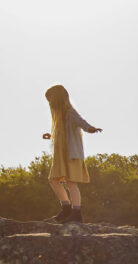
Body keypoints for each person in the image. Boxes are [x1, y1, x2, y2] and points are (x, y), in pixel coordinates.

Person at [42, 85, 102, 224]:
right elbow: (63, 134)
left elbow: (82, 122)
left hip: (71, 154)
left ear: (57, 99)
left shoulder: (70, 113)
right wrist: (51, 136)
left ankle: (76, 213)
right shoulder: (60, 117)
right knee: (53, 180)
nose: (50, 103)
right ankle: (66, 208)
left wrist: (91, 129)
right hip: (61, 155)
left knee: (70, 182)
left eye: (50, 100)